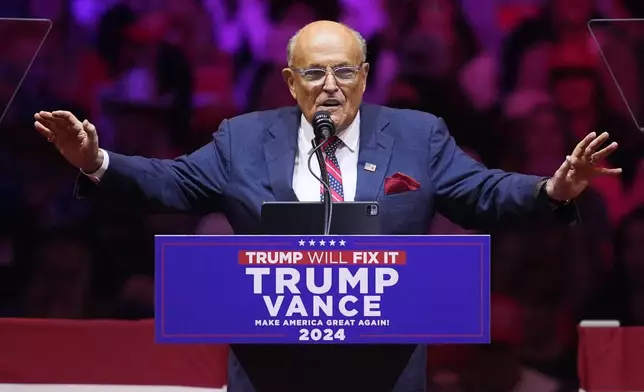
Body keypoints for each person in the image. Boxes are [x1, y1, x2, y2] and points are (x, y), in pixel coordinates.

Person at [34, 20, 619, 392]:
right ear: (290, 83)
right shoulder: (242, 138)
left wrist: (552, 189)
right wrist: (96, 160)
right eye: (315, 72)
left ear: (365, 78)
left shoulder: (419, 136)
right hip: (270, 372)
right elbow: (171, 183)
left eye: (345, 71)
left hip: (384, 372)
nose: (331, 85)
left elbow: (484, 194)